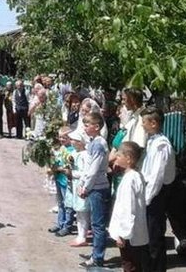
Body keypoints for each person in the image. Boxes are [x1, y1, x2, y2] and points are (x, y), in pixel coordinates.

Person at [141, 107, 175, 272]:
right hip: (151, 191)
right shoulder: (153, 141)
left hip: (156, 194)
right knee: (149, 235)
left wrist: (147, 199)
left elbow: (157, 176)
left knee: (154, 236)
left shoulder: (161, 145)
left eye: (144, 122)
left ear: (153, 123)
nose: (142, 126)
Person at [109, 141, 149, 272]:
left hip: (129, 235)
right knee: (135, 264)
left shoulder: (130, 180)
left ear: (128, 159)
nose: (116, 158)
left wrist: (123, 233)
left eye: (119, 156)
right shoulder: (135, 176)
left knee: (129, 265)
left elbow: (128, 208)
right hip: (135, 232)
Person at [78, 112, 111, 268]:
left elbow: (94, 169)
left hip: (98, 187)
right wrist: (82, 183)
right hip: (94, 186)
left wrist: (86, 187)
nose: (84, 127)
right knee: (95, 223)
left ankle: (98, 257)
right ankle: (95, 254)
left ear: (96, 127)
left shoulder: (98, 144)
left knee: (98, 225)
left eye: (87, 124)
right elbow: (87, 167)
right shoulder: (92, 143)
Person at [48, 127, 75, 237]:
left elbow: (69, 167)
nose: (62, 139)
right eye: (60, 137)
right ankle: (60, 223)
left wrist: (58, 169)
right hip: (59, 179)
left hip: (67, 180)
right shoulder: (61, 148)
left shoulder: (72, 151)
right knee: (60, 203)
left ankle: (67, 225)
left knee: (68, 204)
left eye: (65, 137)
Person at [67, 130, 90, 247]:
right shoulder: (75, 154)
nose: (71, 142)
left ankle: (83, 235)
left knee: (83, 211)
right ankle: (80, 234)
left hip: (81, 184)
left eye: (74, 140)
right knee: (78, 211)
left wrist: (72, 173)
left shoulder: (85, 155)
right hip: (75, 184)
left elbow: (85, 172)